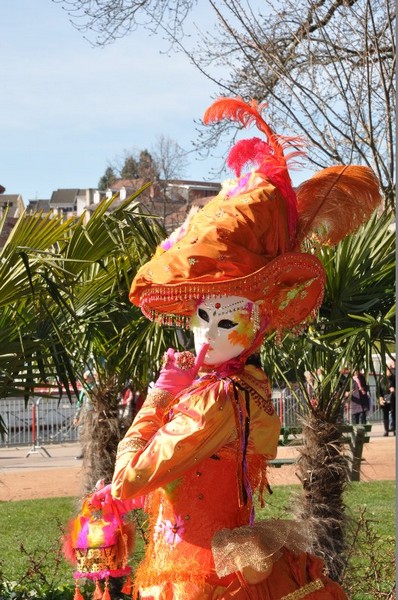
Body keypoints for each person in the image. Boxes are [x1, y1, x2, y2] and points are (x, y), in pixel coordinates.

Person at [87, 97, 381, 599]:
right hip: (210, 564)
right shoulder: (248, 387)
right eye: (202, 317)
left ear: (258, 324)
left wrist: (160, 395)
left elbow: (130, 478)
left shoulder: (215, 398)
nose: (209, 334)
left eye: (227, 320)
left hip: (195, 579)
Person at [73, 370, 95, 460]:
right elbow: (79, 403)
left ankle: (91, 453)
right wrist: (76, 416)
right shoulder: (83, 389)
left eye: (87, 378)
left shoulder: (94, 388)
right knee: (81, 433)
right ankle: (83, 452)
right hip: (83, 413)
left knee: (90, 433)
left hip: (91, 413)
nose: (85, 380)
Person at [379, 361, 396, 436]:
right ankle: (386, 430)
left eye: (391, 369)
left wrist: (395, 391)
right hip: (385, 399)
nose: (390, 370)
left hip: (393, 399)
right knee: (385, 415)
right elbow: (379, 391)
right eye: (389, 369)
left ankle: (394, 430)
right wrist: (380, 399)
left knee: (394, 414)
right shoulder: (382, 379)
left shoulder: (394, 378)